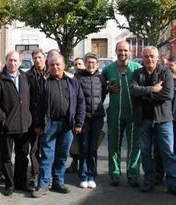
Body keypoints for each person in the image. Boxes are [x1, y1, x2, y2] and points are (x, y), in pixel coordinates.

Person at [31, 54, 85, 198]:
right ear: (48, 66)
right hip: (49, 125)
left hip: (67, 125)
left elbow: (80, 102)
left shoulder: (73, 81)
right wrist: (37, 124)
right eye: (52, 65)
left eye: (58, 64)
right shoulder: (43, 81)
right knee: (47, 156)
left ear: (64, 66)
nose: (55, 67)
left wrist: (79, 122)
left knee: (62, 155)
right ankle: (43, 185)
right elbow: (36, 105)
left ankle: (58, 182)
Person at [129, 46, 176, 195]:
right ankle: (149, 181)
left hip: (163, 120)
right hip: (144, 120)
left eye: (152, 56)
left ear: (157, 57)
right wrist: (152, 89)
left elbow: (167, 94)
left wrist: (145, 96)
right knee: (145, 152)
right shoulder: (137, 73)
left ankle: (172, 183)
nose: (149, 59)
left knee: (167, 152)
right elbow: (133, 90)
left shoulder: (165, 72)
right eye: (146, 56)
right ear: (142, 58)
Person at [0, 51, 32, 195]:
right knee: (7, 157)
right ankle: (10, 184)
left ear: (20, 62)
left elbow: (30, 99)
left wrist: (29, 117)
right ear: (6, 62)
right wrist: (2, 119)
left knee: (22, 156)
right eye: (10, 60)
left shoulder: (25, 77)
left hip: (24, 125)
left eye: (15, 61)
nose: (12, 63)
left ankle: (21, 183)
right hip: (6, 126)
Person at [101, 40, 142, 186]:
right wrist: (107, 88)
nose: (122, 53)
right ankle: (115, 173)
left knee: (134, 146)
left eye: (125, 50)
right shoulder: (108, 69)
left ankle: (133, 174)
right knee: (114, 145)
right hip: (114, 113)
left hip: (133, 114)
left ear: (129, 51)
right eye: (120, 50)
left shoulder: (137, 68)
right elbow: (99, 87)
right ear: (115, 51)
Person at [75, 53, 106, 189]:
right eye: (89, 62)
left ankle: (91, 175)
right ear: (85, 63)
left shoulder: (101, 78)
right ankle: (83, 176)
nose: (91, 64)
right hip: (83, 118)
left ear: (97, 64)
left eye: (94, 62)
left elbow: (103, 95)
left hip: (97, 118)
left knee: (93, 148)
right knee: (84, 147)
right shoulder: (78, 78)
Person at [26, 48, 47, 189]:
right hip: (33, 117)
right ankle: (35, 174)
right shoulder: (27, 75)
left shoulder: (51, 73)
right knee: (34, 149)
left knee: (47, 148)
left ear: (44, 58)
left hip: (49, 117)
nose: (37, 60)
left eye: (40, 57)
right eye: (35, 58)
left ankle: (47, 175)